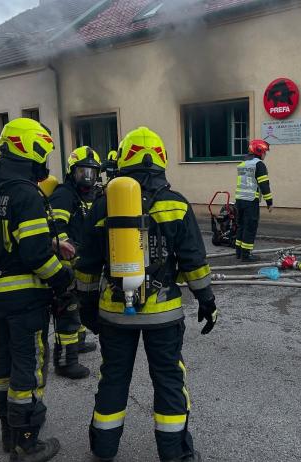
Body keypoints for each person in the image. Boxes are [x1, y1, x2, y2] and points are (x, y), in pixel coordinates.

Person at [75, 127, 217, 462]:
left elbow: (87, 265)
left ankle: (104, 449)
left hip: (113, 311)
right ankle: (175, 454)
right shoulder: (176, 204)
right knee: (168, 380)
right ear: (161, 161)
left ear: (123, 161)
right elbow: (194, 261)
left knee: (113, 379)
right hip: (163, 313)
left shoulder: (101, 205)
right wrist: (207, 300)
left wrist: (84, 306)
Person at [0, 117, 73, 461]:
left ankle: (7, 433)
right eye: (43, 153)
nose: (45, 162)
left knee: (3, 363)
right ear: (30, 148)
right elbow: (33, 254)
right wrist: (62, 281)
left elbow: (11, 239)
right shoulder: (25, 192)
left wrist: (51, 241)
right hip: (24, 298)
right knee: (28, 367)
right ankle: (27, 442)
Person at [48, 146, 101, 379]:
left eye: (92, 172)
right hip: (66, 264)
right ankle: (65, 362)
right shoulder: (64, 194)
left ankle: (78, 343)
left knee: (79, 305)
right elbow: (56, 228)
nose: (87, 177)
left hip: (84, 262)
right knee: (67, 310)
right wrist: (63, 243)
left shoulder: (93, 195)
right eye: (82, 172)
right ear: (72, 171)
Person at [234, 139, 273, 261]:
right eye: (264, 152)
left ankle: (239, 252)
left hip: (239, 200)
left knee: (241, 226)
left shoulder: (243, 164)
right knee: (250, 227)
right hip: (251, 201)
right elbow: (264, 184)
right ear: (259, 151)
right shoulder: (259, 165)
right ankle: (246, 255)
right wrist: (269, 202)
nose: (265, 154)